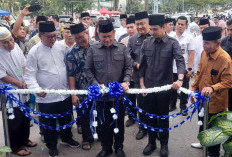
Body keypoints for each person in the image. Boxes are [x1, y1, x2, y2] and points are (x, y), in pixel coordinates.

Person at [24, 21, 80, 157]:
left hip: (64, 93)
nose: (53, 39)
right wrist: (36, 89)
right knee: (49, 123)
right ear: (40, 35)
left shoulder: (60, 47)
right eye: (49, 37)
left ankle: (67, 138)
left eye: (55, 36)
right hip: (46, 96)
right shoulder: (34, 52)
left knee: (66, 118)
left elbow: (67, 67)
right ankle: (52, 146)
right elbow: (29, 74)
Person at [139, 14, 185, 157]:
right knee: (150, 117)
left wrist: (180, 79)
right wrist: (141, 85)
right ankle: (151, 143)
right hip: (149, 87)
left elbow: (180, 61)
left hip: (165, 88)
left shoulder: (172, 43)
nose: (152, 32)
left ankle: (164, 144)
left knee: (163, 118)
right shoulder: (147, 43)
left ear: (163, 27)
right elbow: (142, 66)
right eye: (150, 29)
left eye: (155, 29)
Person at [85, 20, 132, 157]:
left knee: (119, 123)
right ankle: (106, 148)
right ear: (98, 35)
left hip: (118, 96)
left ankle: (119, 147)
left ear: (114, 33)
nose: (107, 39)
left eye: (109, 36)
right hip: (101, 97)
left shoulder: (122, 48)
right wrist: (95, 84)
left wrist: (126, 81)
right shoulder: (93, 50)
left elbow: (128, 67)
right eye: (104, 36)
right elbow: (88, 70)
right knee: (103, 125)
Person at [191, 26, 232, 157]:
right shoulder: (204, 53)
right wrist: (194, 88)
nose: (204, 46)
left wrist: (213, 88)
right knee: (202, 121)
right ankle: (203, 142)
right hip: (201, 99)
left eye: (207, 43)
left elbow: (228, 82)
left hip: (216, 103)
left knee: (214, 130)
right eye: (203, 42)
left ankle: (212, 153)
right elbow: (199, 72)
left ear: (218, 43)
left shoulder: (225, 59)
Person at [0, 27, 37, 156]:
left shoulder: (15, 47)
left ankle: (24, 139)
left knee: (25, 117)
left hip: (22, 88)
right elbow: (3, 75)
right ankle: (15, 146)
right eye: (5, 42)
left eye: (10, 40)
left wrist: (23, 79)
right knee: (14, 120)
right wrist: (19, 83)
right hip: (11, 93)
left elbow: (20, 65)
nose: (9, 44)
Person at [66, 23, 94, 150]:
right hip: (81, 90)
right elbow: (71, 75)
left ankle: (99, 135)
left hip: (98, 89)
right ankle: (86, 139)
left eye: (81, 37)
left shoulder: (98, 47)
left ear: (87, 34)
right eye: (76, 38)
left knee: (99, 113)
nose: (80, 40)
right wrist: (73, 94)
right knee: (83, 116)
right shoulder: (72, 53)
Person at [127, 11, 150, 140]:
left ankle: (155, 128)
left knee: (153, 105)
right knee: (141, 104)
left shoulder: (154, 36)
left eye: (143, 24)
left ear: (148, 23)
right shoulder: (133, 39)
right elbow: (128, 56)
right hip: (137, 77)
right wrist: (135, 64)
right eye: (138, 24)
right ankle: (142, 128)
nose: (140, 27)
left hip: (153, 78)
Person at [169, 16, 195, 115]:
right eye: (178, 24)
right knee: (172, 88)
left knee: (184, 88)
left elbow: (191, 54)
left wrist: (189, 69)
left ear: (186, 26)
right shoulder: (170, 36)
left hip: (183, 68)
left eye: (182, 24)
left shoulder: (189, 38)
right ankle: (172, 104)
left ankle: (183, 107)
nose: (180, 26)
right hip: (172, 68)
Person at [120, 15, 137, 127]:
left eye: (132, 27)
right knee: (129, 97)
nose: (130, 30)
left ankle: (144, 122)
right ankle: (131, 117)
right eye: (128, 27)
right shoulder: (123, 40)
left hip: (139, 75)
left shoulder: (143, 39)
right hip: (127, 76)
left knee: (141, 99)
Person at [221, 18, 232, 111]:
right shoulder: (224, 41)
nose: (229, 32)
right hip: (227, 77)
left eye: (231, 30)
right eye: (227, 29)